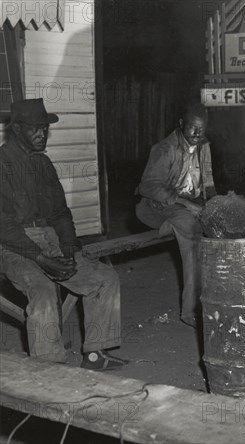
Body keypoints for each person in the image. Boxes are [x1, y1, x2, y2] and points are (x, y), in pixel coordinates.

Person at [0, 98, 127, 370]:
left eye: (45, 128)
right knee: (43, 291)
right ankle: (50, 372)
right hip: (13, 247)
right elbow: (4, 227)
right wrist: (42, 260)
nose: (42, 133)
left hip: (50, 241)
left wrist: (69, 249)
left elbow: (60, 213)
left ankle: (95, 354)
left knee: (104, 278)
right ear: (17, 130)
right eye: (35, 128)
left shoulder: (43, 164)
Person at [136, 102, 216, 327]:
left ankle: (214, 303)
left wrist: (215, 205)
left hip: (187, 205)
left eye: (202, 129)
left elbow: (208, 184)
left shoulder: (204, 146)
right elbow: (147, 187)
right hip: (156, 207)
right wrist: (184, 203)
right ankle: (190, 311)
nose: (197, 134)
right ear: (181, 124)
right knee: (189, 228)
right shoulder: (165, 148)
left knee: (216, 227)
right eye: (192, 128)